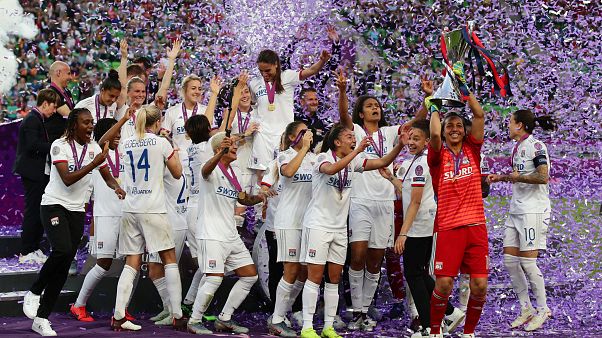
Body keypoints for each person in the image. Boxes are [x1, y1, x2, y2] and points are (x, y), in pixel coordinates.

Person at [336, 69, 427, 330]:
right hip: (360, 200)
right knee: (358, 255)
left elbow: (414, 123)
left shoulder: (389, 132)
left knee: (376, 260)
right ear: (361, 113)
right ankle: (355, 311)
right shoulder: (354, 131)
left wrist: (426, 99)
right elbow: (343, 115)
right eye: (369, 106)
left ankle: (364, 311)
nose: (375, 108)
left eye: (377, 105)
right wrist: (343, 91)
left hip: (385, 201)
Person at [22, 108, 125, 337]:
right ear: (73, 125)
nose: (90, 127)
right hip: (53, 205)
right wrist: (95, 162)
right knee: (61, 250)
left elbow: (106, 173)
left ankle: (41, 318)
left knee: (66, 258)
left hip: (77, 210)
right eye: (86, 123)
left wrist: (115, 186)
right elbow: (67, 180)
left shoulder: (94, 148)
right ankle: (35, 291)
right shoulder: (60, 145)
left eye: (92, 123)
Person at [299, 123, 407, 338]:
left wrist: (399, 146)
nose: (354, 139)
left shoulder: (355, 161)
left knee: (335, 278)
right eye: (349, 137)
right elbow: (331, 170)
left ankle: (328, 327)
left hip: (339, 228)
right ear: (337, 142)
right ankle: (307, 327)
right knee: (315, 277)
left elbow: (384, 162)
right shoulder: (322, 158)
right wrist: (357, 152)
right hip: (318, 225)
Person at [380, 119, 464, 337]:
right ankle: (449, 313)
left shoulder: (421, 163)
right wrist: (390, 178)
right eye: (409, 138)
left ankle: (429, 327)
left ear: (427, 141)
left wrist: (403, 233)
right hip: (422, 223)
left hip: (420, 225)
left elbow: (415, 202)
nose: (411, 142)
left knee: (413, 273)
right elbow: (408, 191)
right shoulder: (415, 162)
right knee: (418, 272)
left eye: (417, 138)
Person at [426, 63, 488, 338]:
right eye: (450, 125)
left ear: (464, 131)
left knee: (480, 286)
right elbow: (436, 134)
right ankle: (436, 331)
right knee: (444, 284)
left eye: (458, 125)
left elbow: (479, 114)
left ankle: (469, 333)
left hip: (476, 225)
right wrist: (434, 104)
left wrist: (462, 86)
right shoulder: (437, 157)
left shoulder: (473, 150)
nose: (453, 129)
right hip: (449, 227)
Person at [111, 104, 185, 331]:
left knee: (132, 262)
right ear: (158, 122)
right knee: (169, 258)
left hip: (130, 208)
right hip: (152, 209)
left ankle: (119, 315)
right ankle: (177, 314)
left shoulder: (126, 142)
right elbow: (177, 172)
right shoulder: (162, 143)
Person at [186, 132, 265, 335]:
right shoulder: (210, 169)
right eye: (230, 146)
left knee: (249, 276)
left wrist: (261, 197)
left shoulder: (234, 173)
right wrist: (220, 152)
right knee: (214, 278)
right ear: (219, 149)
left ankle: (224, 319)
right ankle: (194, 320)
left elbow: (243, 199)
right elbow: (205, 170)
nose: (235, 147)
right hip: (211, 233)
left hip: (230, 234)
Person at [487, 109, 556, 331]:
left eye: (510, 122)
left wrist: (516, 177)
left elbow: (542, 176)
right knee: (509, 261)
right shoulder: (518, 147)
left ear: (519, 125)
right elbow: (519, 176)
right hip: (516, 210)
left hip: (533, 211)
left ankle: (543, 309)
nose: (508, 125)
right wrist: (502, 177)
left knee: (527, 262)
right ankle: (526, 308)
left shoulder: (536, 146)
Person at [69, 115, 135, 322]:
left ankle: (121, 310)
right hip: (106, 215)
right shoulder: (95, 153)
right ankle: (78, 305)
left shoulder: (124, 153)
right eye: (114, 133)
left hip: (125, 215)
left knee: (131, 263)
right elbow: (101, 142)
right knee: (103, 263)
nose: (118, 137)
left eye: (119, 134)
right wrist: (124, 118)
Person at [248, 48, 331, 180]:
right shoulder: (254, 83)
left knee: (282, 175)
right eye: (261, 71)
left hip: (284, 135)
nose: (264, 74)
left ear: (276, 64)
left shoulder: (287, 76)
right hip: (262, 135)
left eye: (268, 70)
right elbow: (251, 105)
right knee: (261, 176)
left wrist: (322, 60)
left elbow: (311, 71)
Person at [267, 121, 315, 337]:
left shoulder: (315, 159)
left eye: (309, 132)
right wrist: (303, 149)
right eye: (303, 133)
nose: (308, 135)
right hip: (288, 221)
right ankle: (277, 319)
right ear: (292, 137)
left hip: (309, 222)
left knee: (305, 273)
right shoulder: (284, 155)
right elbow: (287, 173)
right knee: (291, 270)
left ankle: (282, 311)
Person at [13, 89, 60, 264]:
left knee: (39, 210)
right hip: (33, 173)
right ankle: (26, 251)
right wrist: (55, 147)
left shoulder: (37, 119)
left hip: (38, 172)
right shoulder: (32, 119)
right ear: (45, 103)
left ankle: (34, 247)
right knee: (33, 211)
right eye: (53, 107)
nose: (54, 111)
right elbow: (33, 145)